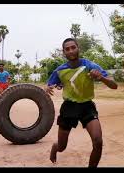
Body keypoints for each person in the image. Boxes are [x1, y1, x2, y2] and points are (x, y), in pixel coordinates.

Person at [45, 38, 118, 167]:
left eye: (73, 47)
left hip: (87, 106)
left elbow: (114, 86)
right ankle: (55, 148)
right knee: (62, 146)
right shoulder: (59, 71)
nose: (71, 51)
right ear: (64, 53)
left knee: (98, 141)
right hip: (69, 107)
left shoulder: (90, 66)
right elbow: (49, 85)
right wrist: (47, 88)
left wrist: (101, 77)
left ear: (78, 48)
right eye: (67, 49)